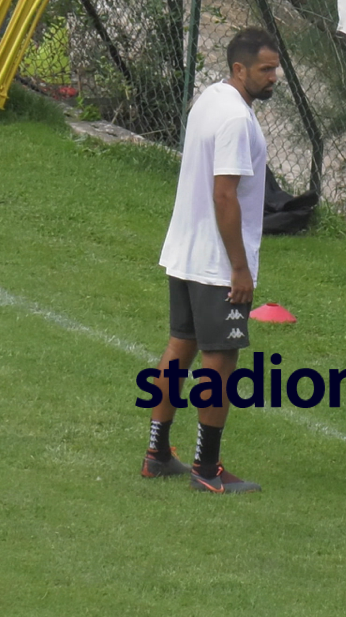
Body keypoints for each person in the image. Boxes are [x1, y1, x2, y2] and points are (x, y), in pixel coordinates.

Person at [140, 28, 281, 494]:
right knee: (219, 360)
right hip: (215, 263)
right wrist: (239, 268)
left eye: (275, 68)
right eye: (265, 69)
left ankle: (157, 453)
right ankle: (207, 468)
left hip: (185, 251)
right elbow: (225, 195)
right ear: (239, 69)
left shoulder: (209, 99)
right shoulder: (237, 119)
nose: (273, 77)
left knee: (179, 348)